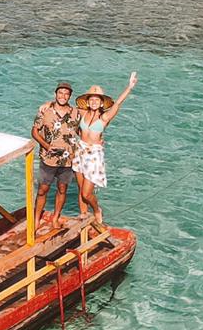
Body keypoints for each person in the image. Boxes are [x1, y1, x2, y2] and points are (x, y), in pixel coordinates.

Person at [73, 72, 137, 226]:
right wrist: (46, 106)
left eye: (97, 100)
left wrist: (129, 87)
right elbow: (65, 108)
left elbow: (118, 103)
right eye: (92, 99)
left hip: (94, 155)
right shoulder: (81, 113)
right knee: (80, 188)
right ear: (87, 102)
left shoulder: (104, 118)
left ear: (101, 103)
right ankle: (83, 215)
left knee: (86, 193)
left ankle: (96, 209)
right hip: (80, 151)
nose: (94, 101)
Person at [31, 82, 81, 229]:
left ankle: (56, 217)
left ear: (70, 96)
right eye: (60, 93)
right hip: (48, 158)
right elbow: (34, 131)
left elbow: (92, 117)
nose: (63, 96)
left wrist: (96, 140)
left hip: (67, 159)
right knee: (42, 189)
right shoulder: (45, 111)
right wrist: (46, 146)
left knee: (62, 189)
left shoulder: (75, 113)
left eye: (66, 94)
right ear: (55, 94)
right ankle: (36, 219)